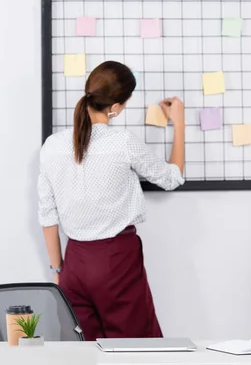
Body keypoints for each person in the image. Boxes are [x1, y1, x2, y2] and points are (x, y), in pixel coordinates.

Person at [37, 61, 186, 340]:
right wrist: (179, 122)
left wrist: (58, 270)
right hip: (116, 261)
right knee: (135, 349)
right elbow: (171, 178)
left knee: (82, 352)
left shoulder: (52, 146)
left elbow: (48, 217)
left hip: (74, 264)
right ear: (116, 107)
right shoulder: (122, 142)